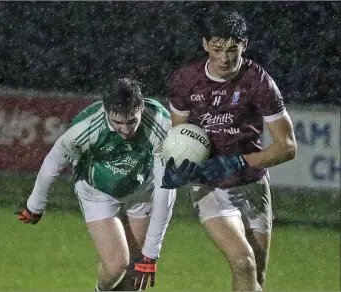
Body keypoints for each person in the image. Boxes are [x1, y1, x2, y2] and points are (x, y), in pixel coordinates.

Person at [162, 9, 297, 291]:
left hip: (252, 184)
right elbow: (178, 139)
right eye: (217, 49)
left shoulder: (258, 82)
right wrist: (177, 170)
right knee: (242, 260)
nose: (225, 58)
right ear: (205, 45)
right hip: (209, 186)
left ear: (244, 45)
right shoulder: (187, 81)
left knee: (256, 277)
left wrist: (235, 162)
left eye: (233, 49)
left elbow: (287, 147)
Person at [15, 78, 176, 291]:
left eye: (131, 122)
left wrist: (151, 254)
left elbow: (166, 187)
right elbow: (52, 163)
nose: (126, 130)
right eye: (118, 123)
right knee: (117, 265)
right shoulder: (86, 127)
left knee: (137, 271)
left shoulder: (160, 123)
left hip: (141, 190)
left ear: (141, 107)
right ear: (106, 110)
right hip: (97, 190)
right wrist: (35, 206)